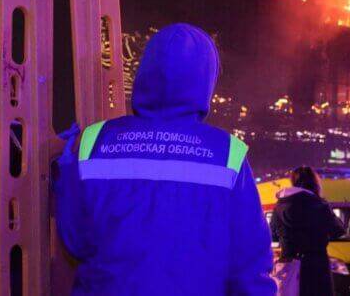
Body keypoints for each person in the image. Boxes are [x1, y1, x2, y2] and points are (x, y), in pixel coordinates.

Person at [55, 23, 276, 295]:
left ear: (144, 71)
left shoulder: (95, 140)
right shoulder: (228, 155)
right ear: (205, 80)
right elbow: (250, 268)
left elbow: (74, 240)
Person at [270, 166, 345, 296]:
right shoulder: (320, 205)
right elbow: (338, 229)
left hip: (289, 264)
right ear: (314, 183)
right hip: (316, 265)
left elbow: (273, 235)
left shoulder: (280, 206)